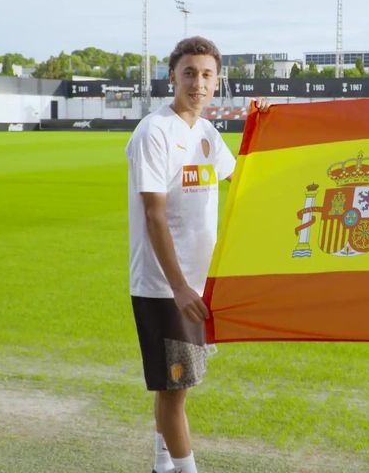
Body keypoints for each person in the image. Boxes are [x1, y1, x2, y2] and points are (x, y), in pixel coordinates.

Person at [125, 36, 248, 473]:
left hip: (196, 283)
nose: (198, 82)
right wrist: (177, 287)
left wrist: (265, 124)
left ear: (217, 82)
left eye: (207, 74)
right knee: (176, 386)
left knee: (173, 385)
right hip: (164, 287)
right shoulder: (154, 132)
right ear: (172, 76)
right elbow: (154, 216)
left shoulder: (208, 134)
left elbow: (246, 179)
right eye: (190, 72)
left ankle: (162, 464)